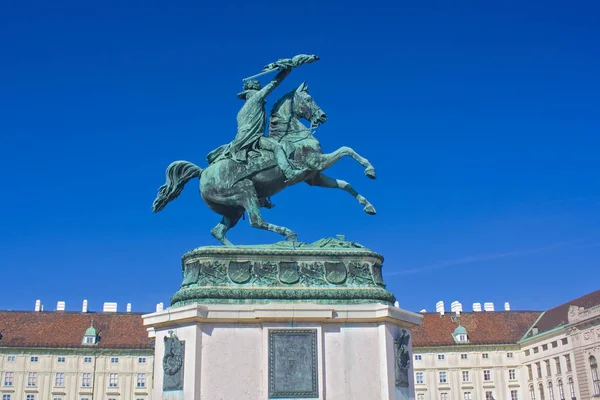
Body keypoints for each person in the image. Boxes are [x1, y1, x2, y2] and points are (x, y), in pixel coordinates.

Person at [206, 64, 305, 183]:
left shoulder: (241, 111)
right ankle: (289, 172)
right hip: (253, 138)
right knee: (277, 147)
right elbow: (272, 84)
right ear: (253, 93)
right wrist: (286, 71)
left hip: (241, 140)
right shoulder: (255, 100)